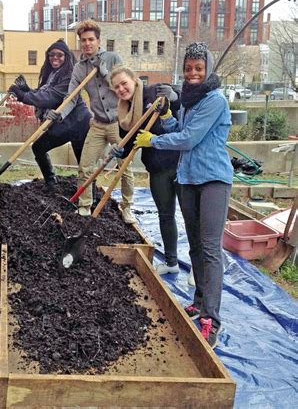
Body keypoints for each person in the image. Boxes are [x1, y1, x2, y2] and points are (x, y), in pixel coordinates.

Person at [133, 42, 233, 348]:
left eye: (198, 69)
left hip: (213, 180)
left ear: (208, 70)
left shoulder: (214, 100)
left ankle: (211, 320)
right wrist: (165, 118)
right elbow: (180, 127)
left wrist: (153, 141)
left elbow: (189, 139)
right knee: (195, 246)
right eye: (188, 68)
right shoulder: (190, 101)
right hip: (188, 179)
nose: (192, 73)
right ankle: (199, 301)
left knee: (210, 249)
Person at [48, 20, 135, 223]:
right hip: (97, 124)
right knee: (86, 166)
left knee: (125, 167)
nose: (87, 44)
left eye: (91, 39)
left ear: (98, 40)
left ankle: (127, 206)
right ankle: (85, 205)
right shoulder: (79, 69)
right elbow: (72, 97)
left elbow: (124, 89)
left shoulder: (113, 59)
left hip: (118, 123)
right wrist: (59, 114)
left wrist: (104, 72)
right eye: (83, 40)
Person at [108, 66, 181, 275]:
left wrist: (174, 96)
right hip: (157, 168)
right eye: (117, 87)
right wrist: (120, 151)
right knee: (166, 215)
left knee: (192, 217)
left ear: (134, 80)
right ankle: (171, 261)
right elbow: (130, 142)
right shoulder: (124, 113)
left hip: (179, 164)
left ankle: (199, 268)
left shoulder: (155, 92)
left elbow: (184, 100)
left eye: (124, 83)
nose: (122, 89)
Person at [8, 39, 91, 190]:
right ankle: (51, 182)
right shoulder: (52, 74)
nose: (55, 58)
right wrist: (26, 90)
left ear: (66, 57)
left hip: (78, 122)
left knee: (82, 160)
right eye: (51, 55)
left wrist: (22, 96)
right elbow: (43, 93)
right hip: (63, 121)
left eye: (59, 55)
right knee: (39, 147)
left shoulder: (70, 76)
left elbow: (50, 97)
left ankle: (90, 194)